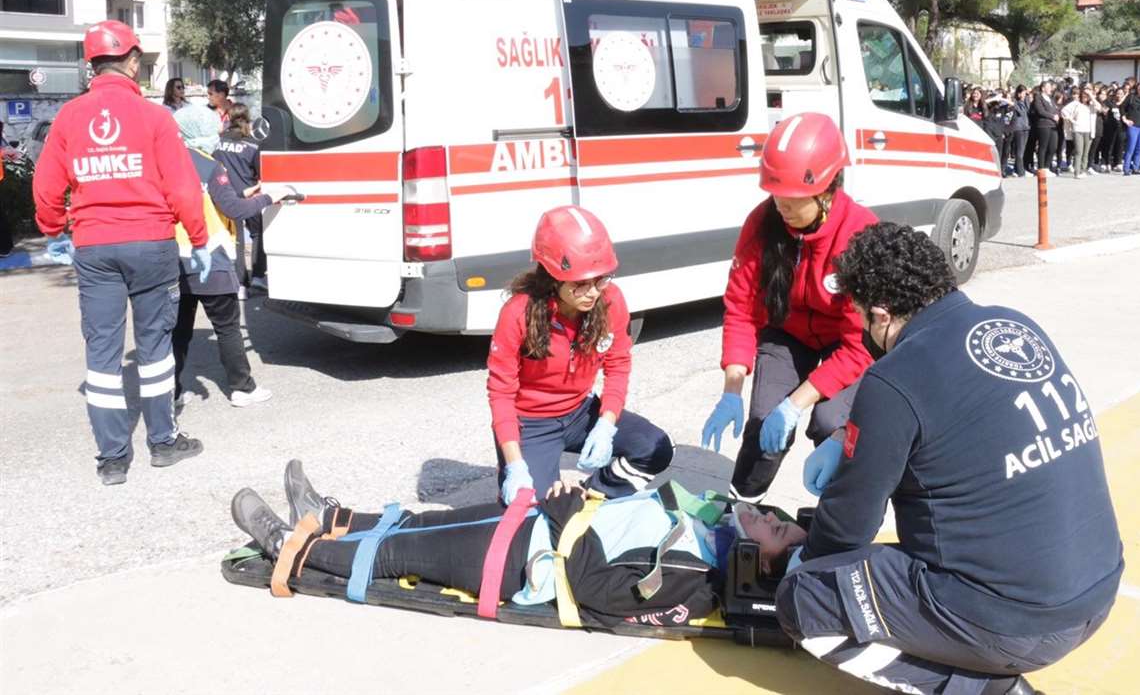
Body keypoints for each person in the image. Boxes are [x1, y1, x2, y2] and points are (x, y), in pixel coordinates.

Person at [782, 223, 1122, 695]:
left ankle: (989, 691)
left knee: (804, 600)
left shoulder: (894, 376)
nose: (862, 330)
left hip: (1018, 624)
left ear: (881, 315)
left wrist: (805, 562)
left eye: (861, 317)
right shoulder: (1013, 323)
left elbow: (847, 528)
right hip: (1096, 591)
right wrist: (852, 434)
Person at [229, 461, 804, 628]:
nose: (769, 517)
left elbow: (601, 593)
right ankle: (327, 516)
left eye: (776, 530)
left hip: (523, 562)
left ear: (758, 564)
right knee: (419, 523)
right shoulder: (712, 529)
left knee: (394, 557)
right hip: (536, 528)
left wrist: (565, 515)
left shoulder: (695, 582)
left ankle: (290, 548)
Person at [31, 21, 211, 486]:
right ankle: (163, 444)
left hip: (94, 247)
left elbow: (47, 186)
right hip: (152, 244)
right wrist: (199, 238)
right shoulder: (155, 118)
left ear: (92, 64)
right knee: (154, 349)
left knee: (103, 354)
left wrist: (55, 230)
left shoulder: (69, 117)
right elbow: (184, 187)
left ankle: (113, 459)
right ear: (132, 61)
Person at [702, 112, 876, 502]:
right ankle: (742, 509)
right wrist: (732, 389)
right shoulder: (762, 223)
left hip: (844, 345)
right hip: (787, 331)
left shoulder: (860, 235)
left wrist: (797, 403)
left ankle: (842, 515)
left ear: (828, 189)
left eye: (794, 199)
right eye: (776, 195)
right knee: (765, 421)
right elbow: (741, 309)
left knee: (831, 422)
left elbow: (859, 343)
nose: (782, 206)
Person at [489, 205, 672, 505]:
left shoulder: (610, 300)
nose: (593, 292)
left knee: (657, 448)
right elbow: (501, 393)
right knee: (532, 512)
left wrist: (606, 424)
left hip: (579, 412)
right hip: (530, 423)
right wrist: (515, 464)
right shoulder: (517, 313)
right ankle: (537, 492)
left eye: (601, 279)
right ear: (552, 277)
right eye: (580, 284)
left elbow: (618, 366)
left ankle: (590, 496)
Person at [170, 106, 275, 409]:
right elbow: (234, 211)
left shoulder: (166, 164)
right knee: (227, 327)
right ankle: (242, 388)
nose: (217, 134)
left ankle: (173, 392)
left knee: (178, 332)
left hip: (176, 260)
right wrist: (269, 197)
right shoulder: (210, 165)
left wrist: (241, 194)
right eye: (213, 128)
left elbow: (213, 200)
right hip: (211, 259)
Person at [215, 103, 266, 290]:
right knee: (258, 233)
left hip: (227, 194)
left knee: (236, 239)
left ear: (229, 117)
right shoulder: (253, 143)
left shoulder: (219, 142)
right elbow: (260, 172)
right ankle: (258, 276)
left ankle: (240, 283)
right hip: (251, 194)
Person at [1061, 87, 1097, 179]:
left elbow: (1100, 107)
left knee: (1086, 152)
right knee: (1079, 151)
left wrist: (1091, 96)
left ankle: (1083, 170)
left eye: (1087, 96)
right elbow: (1063, 111)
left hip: (1088, 130)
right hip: (1078, 130)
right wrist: (1071, 120)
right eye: (1083, 96)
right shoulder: (1076, 104)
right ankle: (1077, 172)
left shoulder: (1092, 104)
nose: (1085, 97)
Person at [1028, 81, 1060, 175]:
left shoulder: (1050, 98)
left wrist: (1057, 115)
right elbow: (1040, 111)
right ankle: (1041, 168)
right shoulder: (1038, 98)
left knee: (1053, 147)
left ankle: (1047, 166)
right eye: (1048, 87)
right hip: (1043, 125)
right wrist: (1052, 116)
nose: (1050, 88)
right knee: (1043, 147)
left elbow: (1055, 108)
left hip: (1053, 125)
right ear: (1043, 88)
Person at [1120, 83, 1140, 175]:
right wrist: (1125, 119)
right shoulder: (1131, 97)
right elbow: (1121, 107)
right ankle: (1126, 168)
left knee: (1139, 148)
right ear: (1136, 88)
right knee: (1130, 148)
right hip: (1133, 126)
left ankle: (1135, 168)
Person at [1009, 86, 1030, 177]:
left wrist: (1027, 98)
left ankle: (1016, 169)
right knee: (1019, 151)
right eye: (1023, 93)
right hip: (1019, 128)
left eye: (1025, 93)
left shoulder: (1025, 102)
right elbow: (1021, 112)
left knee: (1022, 150)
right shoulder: (1015, 102)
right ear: (1018, 93)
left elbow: (1028, 110)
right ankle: (1021, 171)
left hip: (1025, 127)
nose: (1024, 95)